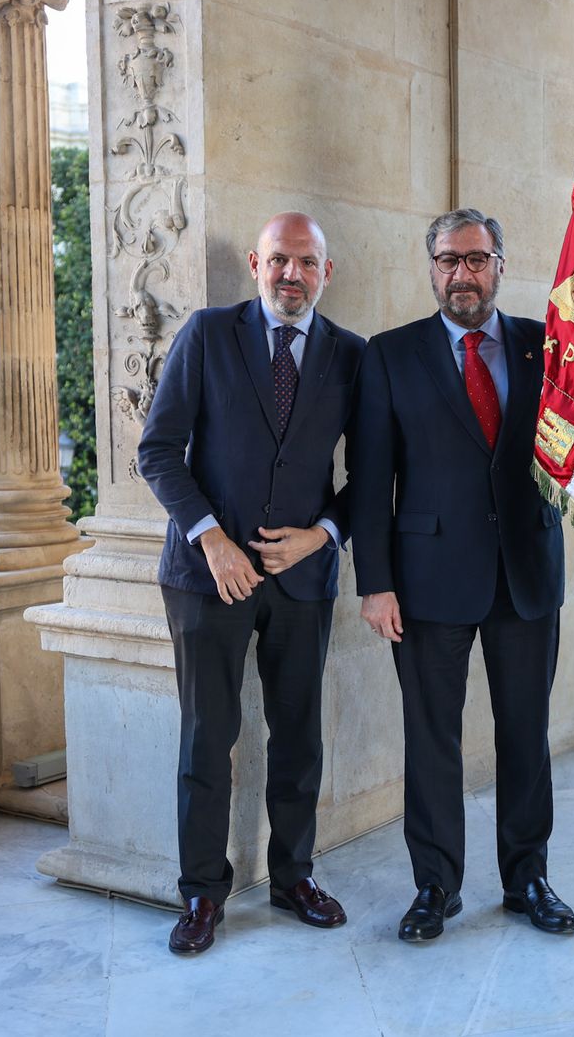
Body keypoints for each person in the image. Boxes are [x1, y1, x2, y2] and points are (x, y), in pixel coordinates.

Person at [138, 212, 366, 955]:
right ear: (254, 263)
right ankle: (203, 893)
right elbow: (159, 451)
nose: (290, 274)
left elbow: (371, 476)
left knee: (299, 736)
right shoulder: (207, 335)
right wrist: (211, 539)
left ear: (326, 272)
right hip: (208, 579)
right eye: (278, 261)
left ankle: (294, 875)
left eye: (305, 262)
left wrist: (321, 536)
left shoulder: (352, 357)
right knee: (208, 739)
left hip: (303, 581)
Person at [351, 208, 574, 942]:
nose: (462, 274)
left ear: (500, 264)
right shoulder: (390, 354)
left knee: (525, 732)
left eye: (476, 259)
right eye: (448, 261)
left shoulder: (550, 350)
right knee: (432, 738)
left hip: (525, 574)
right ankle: (435, 886)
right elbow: (369, 476)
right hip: (424, 582)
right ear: (432, 269)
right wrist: (374, 582)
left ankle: (528, 878)